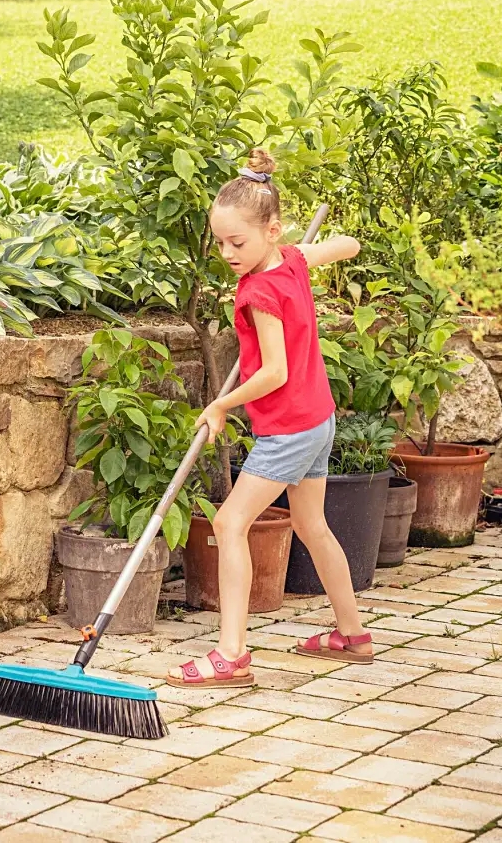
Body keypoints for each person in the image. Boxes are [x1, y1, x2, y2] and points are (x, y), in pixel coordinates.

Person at [167, 148, 371, 689]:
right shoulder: (292, 262)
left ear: (271, 230)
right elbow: (347, 245)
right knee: (311, 524)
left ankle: (231, 654)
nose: (228, 252)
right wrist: (298, 252)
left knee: (230, 523)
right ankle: (351, 634)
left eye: (239, 242)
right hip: (318, 418)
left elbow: (274, 372)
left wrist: (220, 404)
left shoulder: (259, 289)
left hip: (289, 425)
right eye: (221, 242)